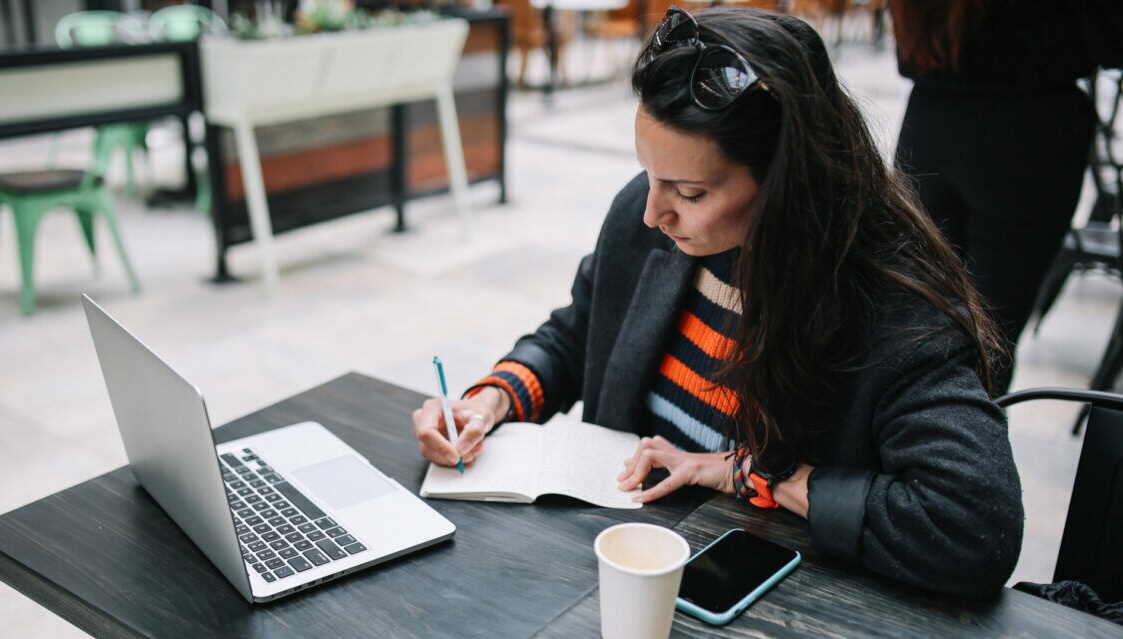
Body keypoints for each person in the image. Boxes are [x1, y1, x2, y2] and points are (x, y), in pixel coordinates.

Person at [412, 6, 1023, 596]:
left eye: (690, 191)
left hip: (777, 600)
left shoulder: (893, 312)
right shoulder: (646, 217)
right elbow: (579, 333)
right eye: (648, 175)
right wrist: (490, 402)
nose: (653, 213)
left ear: (787, 182)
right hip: (622, 554)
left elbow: (973, 529)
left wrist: (751, 472)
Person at [891, 0, 1123, 396]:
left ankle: (920, 448)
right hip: (1028, 130)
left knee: (909, 320)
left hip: (931, 119)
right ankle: (954, 451)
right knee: (989, 339)